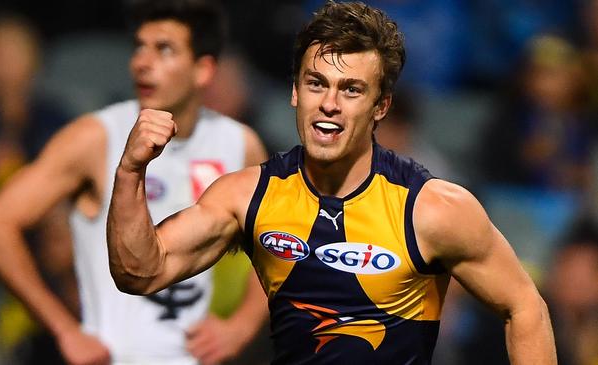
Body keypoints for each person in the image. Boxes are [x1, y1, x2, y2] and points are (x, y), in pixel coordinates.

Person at [107, 1, 556, 364]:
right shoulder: (248, 196)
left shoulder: (431, 208)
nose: (330, 104)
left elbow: (525, 308)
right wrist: (130, 172)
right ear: (295, 93)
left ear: (380, 107)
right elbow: (140, 273)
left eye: (352, 90)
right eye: (317, 83)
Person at [0, 0, 269, 364]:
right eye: (139, 47)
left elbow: (279, 243)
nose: (142, 62)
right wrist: (65, 330)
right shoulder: (96, 137)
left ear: (203, 70)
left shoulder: (239, 144)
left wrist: (241, 326)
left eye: (164, 50)